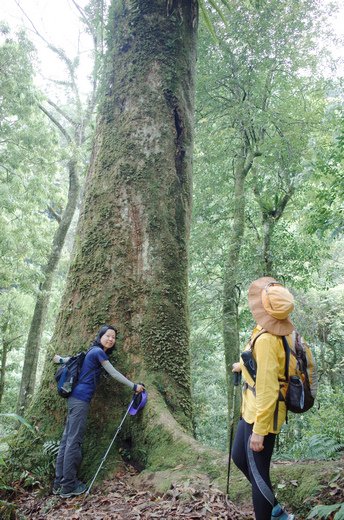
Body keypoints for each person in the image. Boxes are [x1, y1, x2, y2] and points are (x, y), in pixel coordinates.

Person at [52, 325, 145, 498]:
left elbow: (71, 359)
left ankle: (59, 483)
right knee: (73, 441)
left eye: (114, 337)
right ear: (100, 336)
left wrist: (60, 359)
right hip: (80, 400)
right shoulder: (98, 353)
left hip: (74, 399)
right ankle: (67, 486)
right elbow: (114, 373)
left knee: (67, 440)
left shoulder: (91, 351)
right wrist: (134, 386)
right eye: (108, 335)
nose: (111, 339)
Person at [231, 277, 295, 520]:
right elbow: (265, 368)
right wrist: (242, 366)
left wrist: (260, 430)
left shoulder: (268, 339)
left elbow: (269, 388)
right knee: (239, 457)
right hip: (251, 410)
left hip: (261, 416)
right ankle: (276, 511)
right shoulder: (270, 330)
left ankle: (271, 516)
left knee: (259, 477)